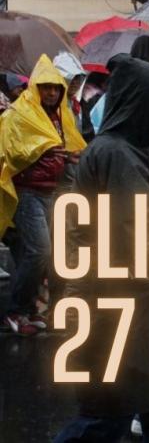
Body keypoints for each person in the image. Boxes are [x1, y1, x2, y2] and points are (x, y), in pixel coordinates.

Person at [53, 53, 149, 442]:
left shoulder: (126, 150)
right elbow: (141, 231)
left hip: (127, 306)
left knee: (131, 410)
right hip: (128, 308)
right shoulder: (118, 154)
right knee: (125, 413)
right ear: (141, 106)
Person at [0, 54, 85, 336]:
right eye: (46, 87)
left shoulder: (58, 116)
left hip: (52, 192)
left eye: (55, 87)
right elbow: (12, 152)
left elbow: (57, 148)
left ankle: (33, 309)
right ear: (35, 87)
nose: (51, 92)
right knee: (39, 251)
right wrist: (43, 151)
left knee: (46, 256)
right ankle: (15, 311)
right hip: (28, 194)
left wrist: (66, 158)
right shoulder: (20, 114)